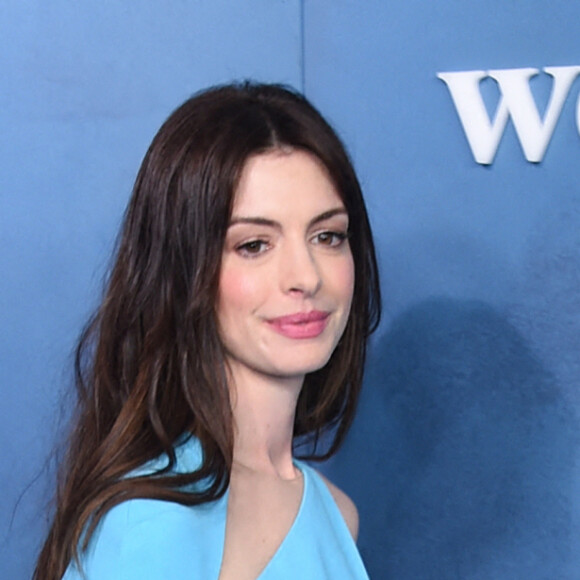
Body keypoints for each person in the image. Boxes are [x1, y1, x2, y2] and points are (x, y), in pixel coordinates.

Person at [34, 81, 381, 580]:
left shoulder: (335, 513)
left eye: (327, 236)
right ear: (182, 270)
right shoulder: (151, 521)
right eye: (254, 245)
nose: (305, 277)